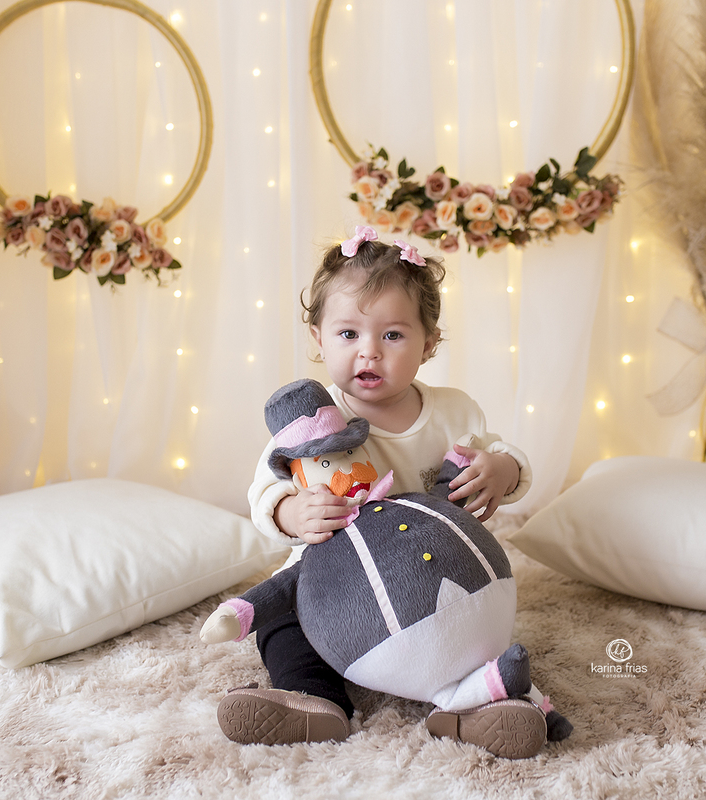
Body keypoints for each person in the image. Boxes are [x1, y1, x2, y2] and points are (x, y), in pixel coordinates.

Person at [222, 225, 551, 757]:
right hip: (336, 586)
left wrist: (503, 469)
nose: (369, 353)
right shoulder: (309, 422)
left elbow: (496, 456)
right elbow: (264, 490)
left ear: (430, 343)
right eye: (348, 335)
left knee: (472, 628)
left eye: (393, 336)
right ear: (318, 338)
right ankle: (312, 698)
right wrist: (290, 511)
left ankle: (474, 709)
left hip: (428, 581)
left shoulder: (455, 411)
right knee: (283, 622)